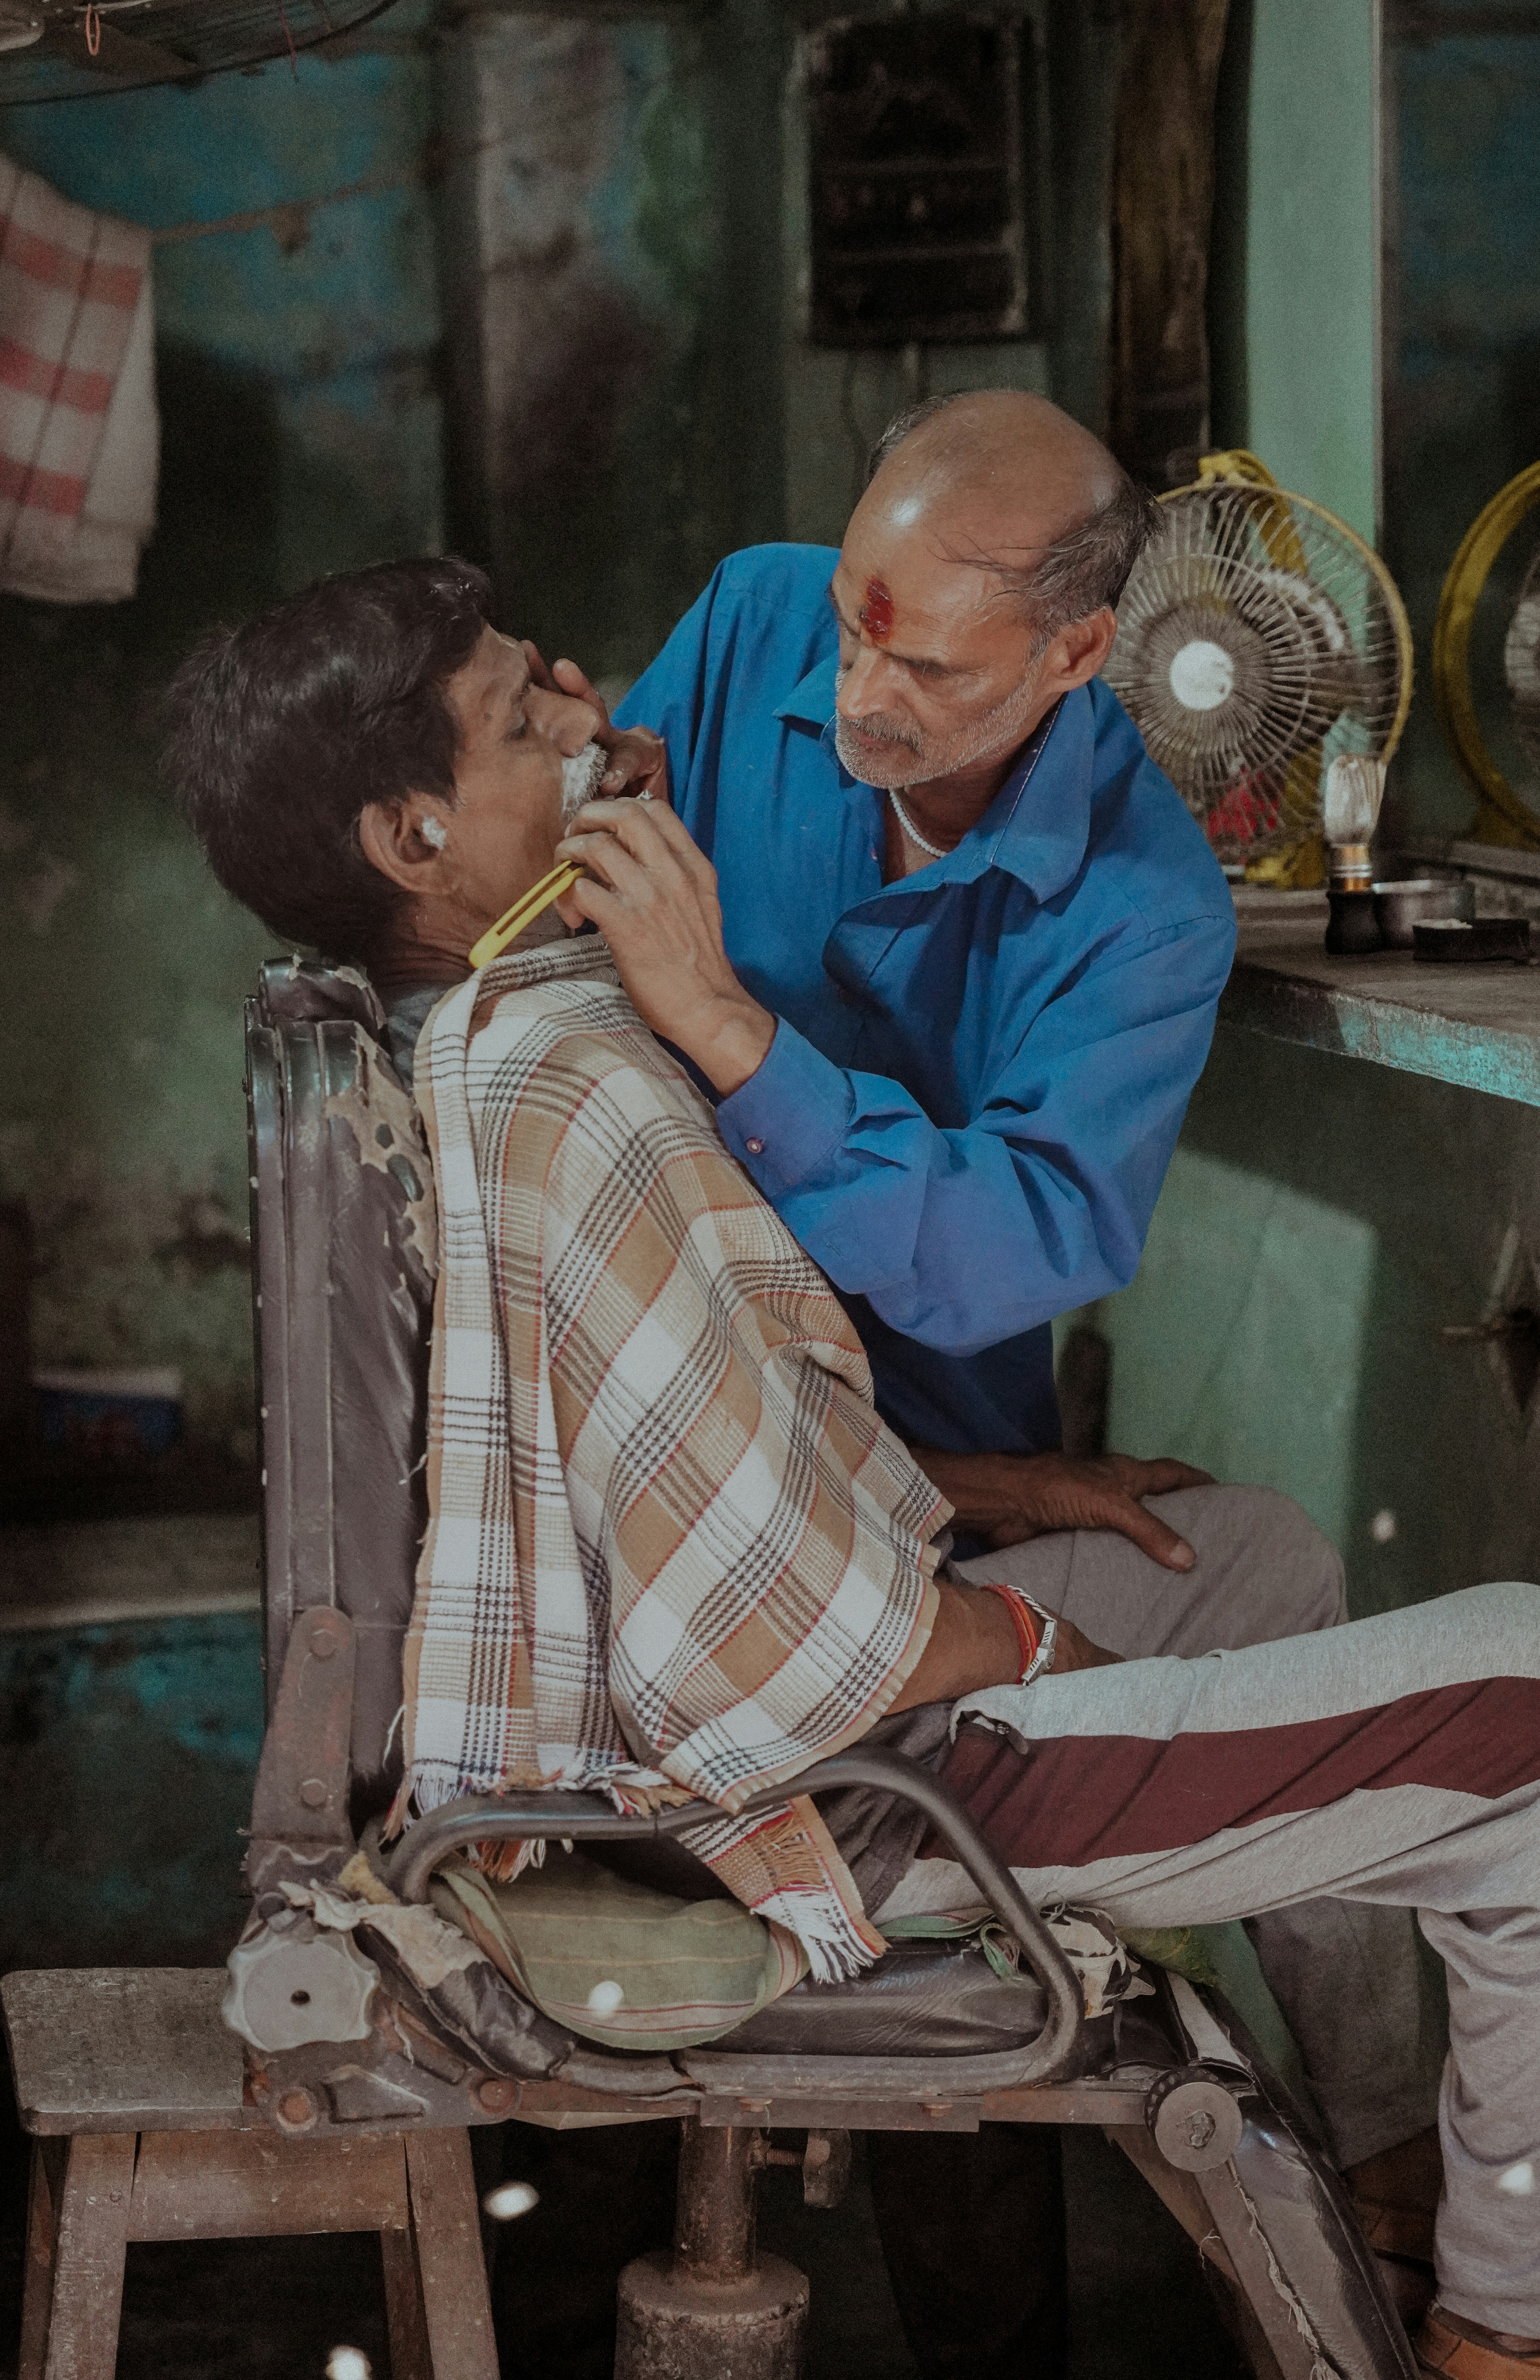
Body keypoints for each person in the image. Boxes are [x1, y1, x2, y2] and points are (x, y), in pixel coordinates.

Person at [163, 556, 1540, 2380]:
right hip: (829, 1798)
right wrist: (1013, 1645)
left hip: (761, 1727)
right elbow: (749, 1643)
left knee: (1237, 1552)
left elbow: (640, 1445)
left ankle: (1402, 2171)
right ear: (414, 834)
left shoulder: (507, 1032)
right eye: (516, 708)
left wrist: (997, 1495)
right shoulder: (576, 1077)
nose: (576, 688)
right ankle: (1531, 2326)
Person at [510, 388, 1439, 2362]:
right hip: (681, 1436)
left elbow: (1028, 1237)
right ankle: (1391, 2152)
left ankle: (1286, 2208)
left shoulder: (1143, 904)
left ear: (1080, 652)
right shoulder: (760, 619)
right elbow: (573, 900)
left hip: (895, 1448)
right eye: (854, 616)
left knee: (979, 2094)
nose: (852, 684)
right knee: (1222, 1614)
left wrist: (741, 1046)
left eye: (920, 661)